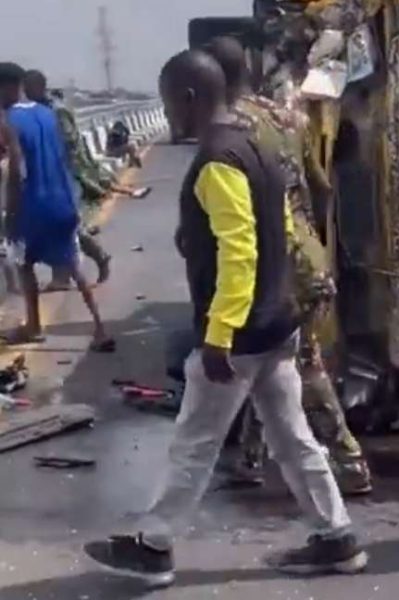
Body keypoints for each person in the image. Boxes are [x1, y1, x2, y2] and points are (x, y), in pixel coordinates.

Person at [83, 50, 367, 586]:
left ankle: (154, 544)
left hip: (239, 336)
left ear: (189, 97)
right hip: (276, 324)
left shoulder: (215, 158)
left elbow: (241, 252)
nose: (168, 114)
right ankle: (336, 536)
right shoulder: (256, 146)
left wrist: (218, 336)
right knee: (291, 437)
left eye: (169, 101)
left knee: (195, 442)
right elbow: (278, 227)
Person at [203, 36, 373, 495]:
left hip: (274, 261)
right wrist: (314, 240)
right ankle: (251, 457)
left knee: (300, 361)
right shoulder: (287, 117)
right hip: (305, 252)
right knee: (267, 359)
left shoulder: (229, 128)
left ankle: (349, 459)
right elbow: (321, 186)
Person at [0, 63, 113, 351]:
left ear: (6, 87)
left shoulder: (7, 120)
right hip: (62, 200)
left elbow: (18, 170)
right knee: (75, 266)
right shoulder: (48, 113)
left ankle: (34, 326)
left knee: (25, 265)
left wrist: (11, 212)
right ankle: (100, 329)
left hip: (32, 205)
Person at [22, 69, 133, 288]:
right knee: (56, 224)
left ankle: (90, 261)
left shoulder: (56, 111)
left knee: (64, 224)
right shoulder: (39, 110)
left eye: (28, 87)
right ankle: (66, 274)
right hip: (47, 174)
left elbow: (69, 146)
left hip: (62, 174)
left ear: (38, 86)